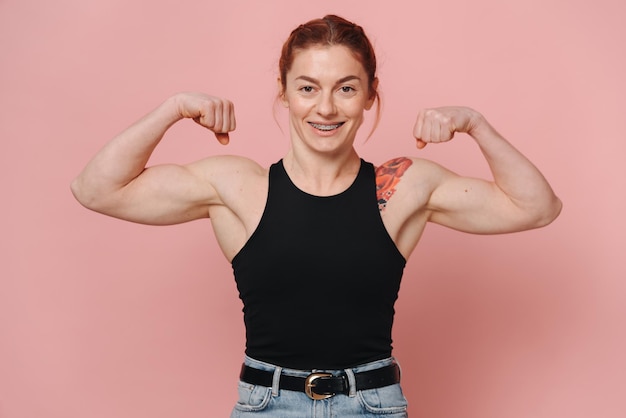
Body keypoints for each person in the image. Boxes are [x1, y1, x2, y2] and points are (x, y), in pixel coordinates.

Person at [71, 14, 561, 418]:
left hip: (373, 406)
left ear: (370, 95)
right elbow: (96, 189)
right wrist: (172, 109)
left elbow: (537, 207)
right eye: (307, 88)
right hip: (266, 405)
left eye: (346, 89)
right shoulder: (238, 187)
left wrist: (476, 125)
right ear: (283, 93)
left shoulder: (404, 185)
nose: (325, 107)